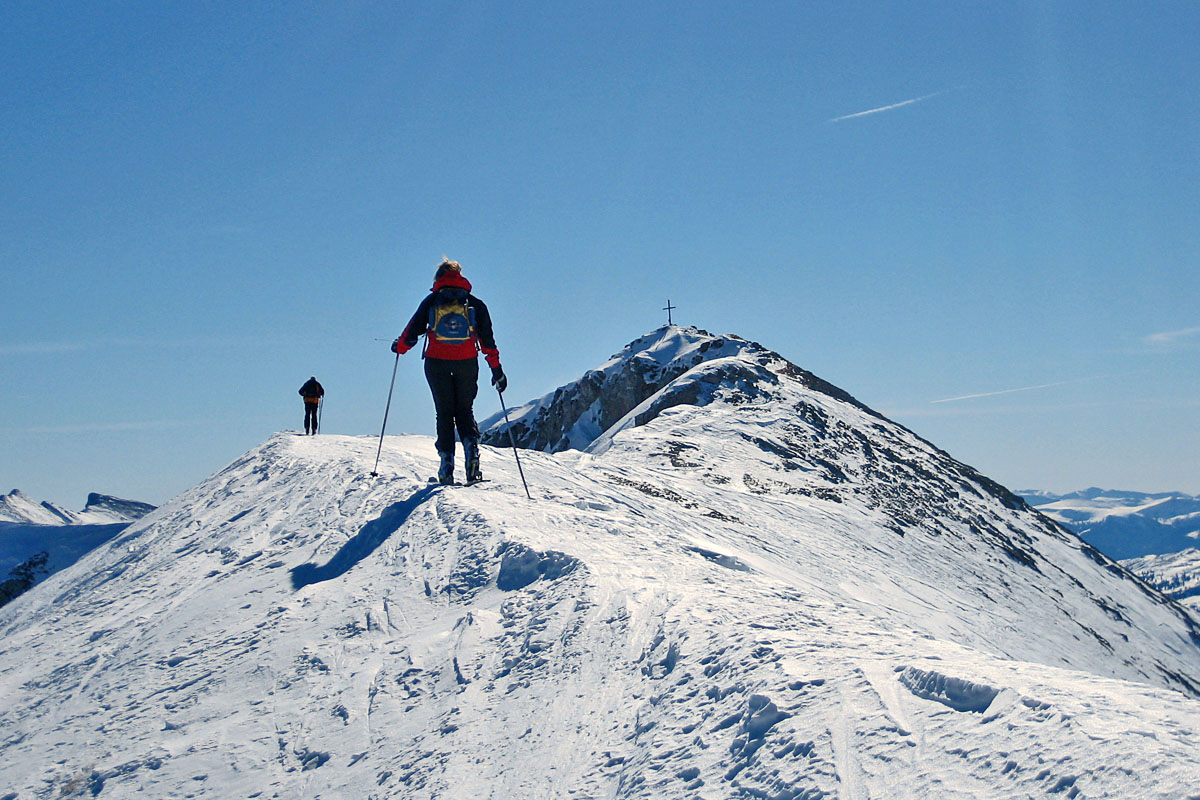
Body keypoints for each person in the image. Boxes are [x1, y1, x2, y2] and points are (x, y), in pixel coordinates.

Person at [392, 260, 506, 484]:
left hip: (437, 362)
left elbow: (411, 331)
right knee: (465, 410)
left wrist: (400, 347)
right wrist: (497, 369)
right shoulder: (475, 303)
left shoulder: (432, 301)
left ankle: (446, 465)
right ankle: (472, 455)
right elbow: (488, 340)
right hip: (467, 361)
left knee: (444, 412)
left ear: (438, 277)